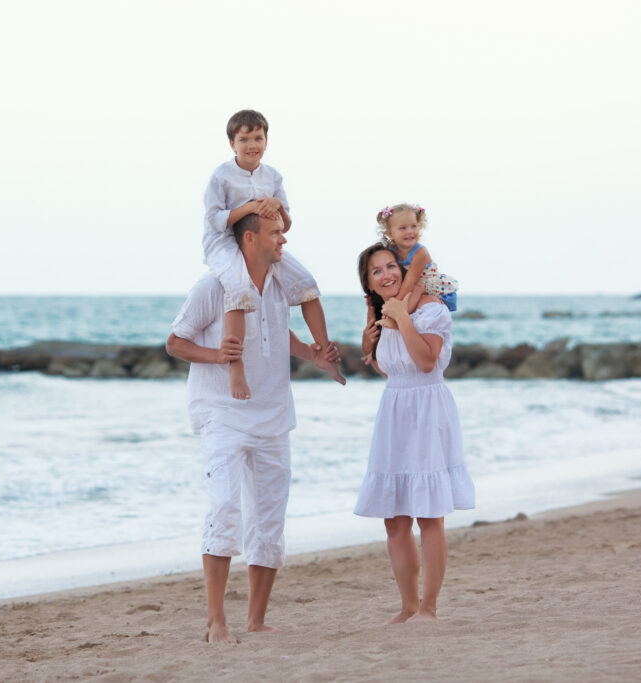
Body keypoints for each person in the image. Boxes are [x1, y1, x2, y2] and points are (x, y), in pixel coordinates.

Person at [167, 212, 342, 643]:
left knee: (269, 517)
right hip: (222, 413)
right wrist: (217, 357)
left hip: (273, 412)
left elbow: (276, 331)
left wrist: (312, 355)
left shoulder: (281, 280)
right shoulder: (212, 285)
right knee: (225, 507)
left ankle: (256, 620)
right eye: (275, 232)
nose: (283, 239)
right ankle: (216, 621)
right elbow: (175, 341)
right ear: (249, 239)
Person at [355, 242, 475, 623]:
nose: (387, 275)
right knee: (395, 517)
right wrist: (371, 341)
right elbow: (389, 367)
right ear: (369, 283)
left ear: (407, 270)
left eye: (392, 266)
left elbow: (425, 362)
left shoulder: (432, 310)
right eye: (377, 271)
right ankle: (407, 606)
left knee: (429, 513)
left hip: (428, 408)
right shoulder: (380, 315)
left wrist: (402, 320)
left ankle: (429, 607)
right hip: (394, 411)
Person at [204, 109, 345, 399]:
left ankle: (323, 353)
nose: (252, 144)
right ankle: (236, 368)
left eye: (258, 137)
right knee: (237, 285)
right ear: (232, 143)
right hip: (226, 242)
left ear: (267, 141)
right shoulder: (221, 176)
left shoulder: (273, 177)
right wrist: (252, 206)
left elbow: (287, 224)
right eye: (244, 139)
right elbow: (215, 220)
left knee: (306, 284)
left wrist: (275, 204)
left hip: (265, 242)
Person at [376, 203, 458, 313]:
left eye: (413, 226)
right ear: (390, 234)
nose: (410, 231)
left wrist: (394, 304)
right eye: (403, 228)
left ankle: (398, 315)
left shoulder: (420, 252)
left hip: (428, 285)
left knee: (417, 287)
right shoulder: (391, 251)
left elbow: (409, 282)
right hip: (409, 285)